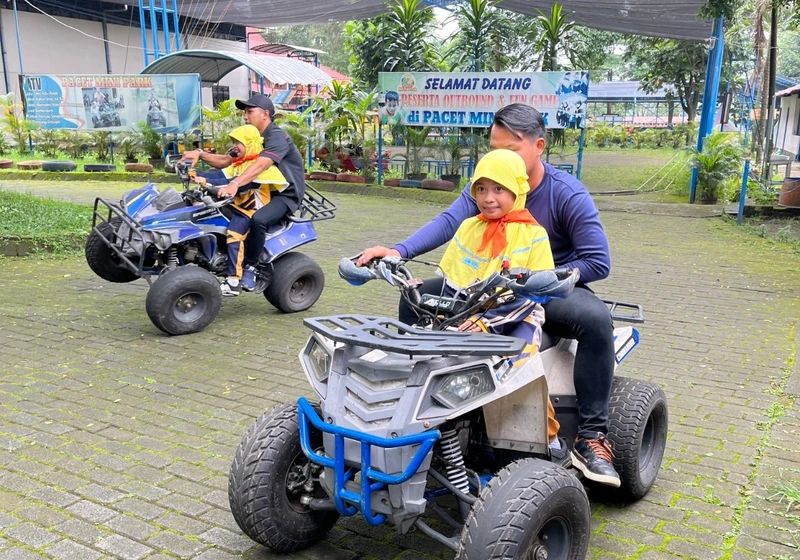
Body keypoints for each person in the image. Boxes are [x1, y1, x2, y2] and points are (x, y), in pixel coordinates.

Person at [357, 103, 620, 488]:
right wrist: (398, 252)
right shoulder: (488, 185)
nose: (497, 162)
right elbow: (450, 221)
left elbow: (597, 261)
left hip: (546, 289)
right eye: (493, 149)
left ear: (539, 146)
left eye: (510, 149)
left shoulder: (566, 194)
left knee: (596, 320)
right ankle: (417, 404)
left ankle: (591, 437)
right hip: (484, 285)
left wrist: (542, 277)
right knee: (417, 294)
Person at [437, 148, 566, 463]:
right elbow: (451, 279)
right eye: (481, 188)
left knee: (518, 370)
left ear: (517, 190)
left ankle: (549, 436)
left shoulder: (534, 234)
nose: (488, 197)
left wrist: (485, 322)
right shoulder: (469, 228)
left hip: (518, 318)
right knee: (436, 361)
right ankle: (447, 434)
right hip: (470, 315)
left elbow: (531, 295)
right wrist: (444, 309)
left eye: (498, 188)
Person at [181, 94, 306, 291]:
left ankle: (251, 267)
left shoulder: (276, 137)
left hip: (284, 194)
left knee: (258, 220)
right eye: (244, 113)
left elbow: (261, 164)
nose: (245, 116)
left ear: (265, 114)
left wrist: (235, 183)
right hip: (257, 189)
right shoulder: (249, 139)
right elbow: (226, 162)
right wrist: (199, 155)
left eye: (250, 112)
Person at [191, 125, 288, 297]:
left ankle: (233, 281)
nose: (234, 147)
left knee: (234, 234)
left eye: (238, 143)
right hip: (235, 205)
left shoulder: (260, 167)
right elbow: (220, 176)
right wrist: (193, 172)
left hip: (250, 210)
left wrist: (206, 181)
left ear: (250, 143)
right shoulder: (239, 163)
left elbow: (239, 183)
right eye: (234, 142)